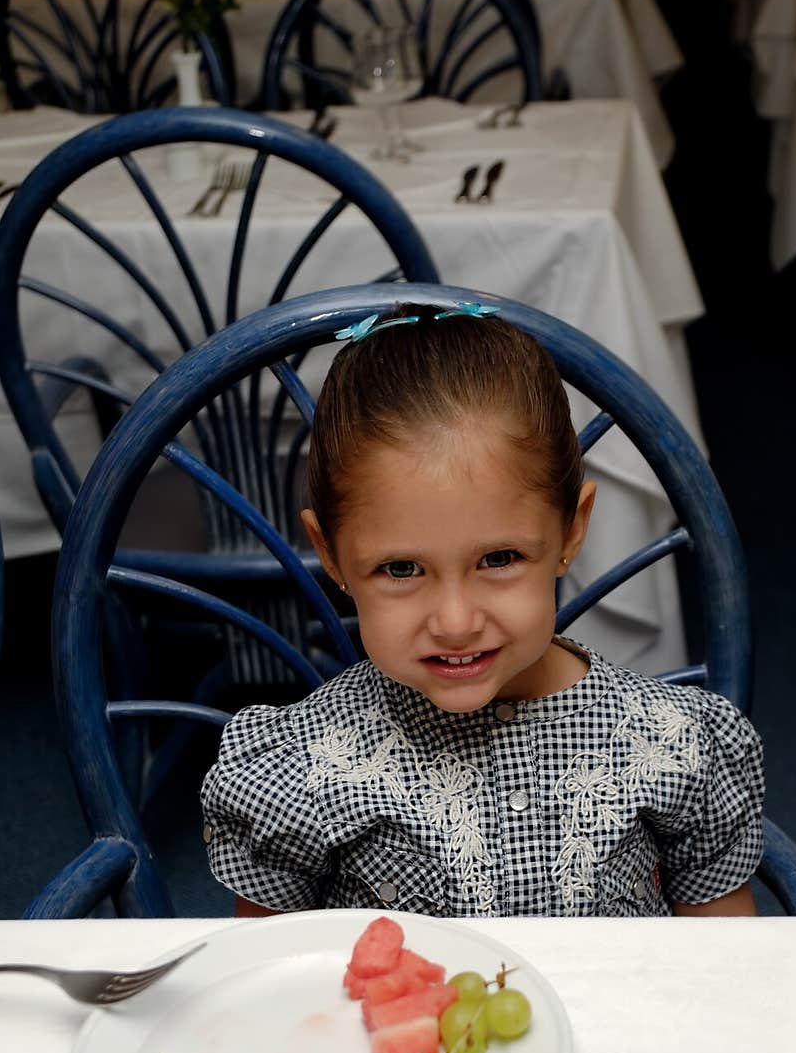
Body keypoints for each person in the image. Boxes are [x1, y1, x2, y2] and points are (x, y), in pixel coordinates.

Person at [201, 303, 763, 919]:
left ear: (570, 531)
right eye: (400, 569)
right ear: (331, 555)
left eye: (498, 559)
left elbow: (724, 965)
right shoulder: (299, 770)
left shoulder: (672, 743)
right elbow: (266, 976)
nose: (455, 621)